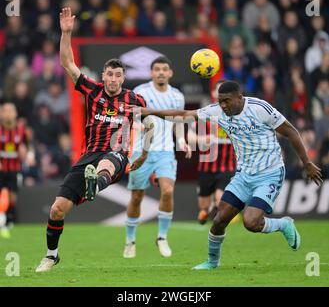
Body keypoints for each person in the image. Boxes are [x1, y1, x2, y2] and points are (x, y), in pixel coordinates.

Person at [132, 80, 323, 270]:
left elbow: (291, 132)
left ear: (239, 98)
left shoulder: (259, 108)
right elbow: (183, 115)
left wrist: (306, 163)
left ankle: (283, 225)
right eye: (220, 101)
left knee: (251, 221)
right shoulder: (216, 111)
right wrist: (150, 111)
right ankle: (212, 263)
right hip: (243, 175)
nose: (223, 105)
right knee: (219, 220)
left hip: (270, 173)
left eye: (227, 101)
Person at [35, 7, 152, 272]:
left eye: (118, 75)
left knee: (109, 161)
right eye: (109, 75)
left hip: (118, 155)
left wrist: (143, 153)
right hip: (89, 155)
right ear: (103, 76)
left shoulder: (135, 100)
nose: (113, 79)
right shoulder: (92, 90)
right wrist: (66, 33)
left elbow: (150, 124)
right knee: (57, 209)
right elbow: (67, 63)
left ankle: (95, 183)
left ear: (124, 78)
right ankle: (51, 255)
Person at [123, 56, 191, 259]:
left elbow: (178, 122)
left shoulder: (177, 96)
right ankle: (130, 240)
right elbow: (130, 118)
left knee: (168, 191)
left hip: (165, 150)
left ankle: (162, 237)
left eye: (164, 69)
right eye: (157, 69)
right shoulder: (140, 92)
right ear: (151, 73)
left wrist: (181, 141)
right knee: (137, 197)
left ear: (170, 73)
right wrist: (139, 127)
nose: (161, 72)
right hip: (141, 150)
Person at [187, 81, 236, 225]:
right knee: (203, 208)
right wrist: (202, 138)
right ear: (214, 93)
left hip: (226, 167)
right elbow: (190, 136)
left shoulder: (236, 115)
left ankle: (217, 209)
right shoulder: (205, 114)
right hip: (206, 168)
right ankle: (208, 210)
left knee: (221, 201)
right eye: (218, 90)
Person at [0, 102, 31, 238]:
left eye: (10, 111)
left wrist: (28, 155)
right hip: (1, 169)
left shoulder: (21, 130)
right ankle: (4, 222)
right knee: (2, 195)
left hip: (14, 168)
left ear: (15, 113)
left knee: (12, 196)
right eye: (5, 111)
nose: (8, 114)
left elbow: (27, 147)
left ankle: (10, 221)